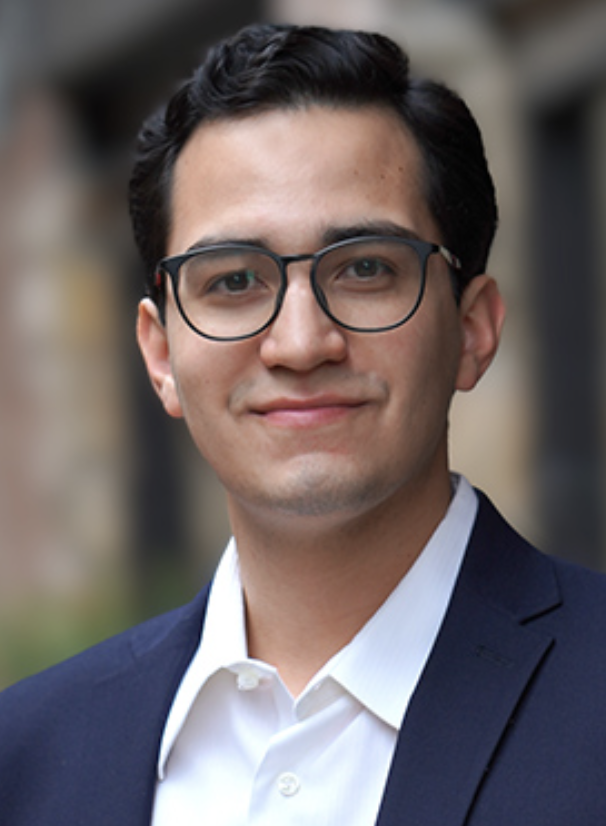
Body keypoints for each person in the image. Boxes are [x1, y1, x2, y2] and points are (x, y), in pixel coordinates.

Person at [1, 22, 605, 826]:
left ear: (473, 329)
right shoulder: (26, 757)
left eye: (364, 269)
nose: (300, 343)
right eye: (234, 281)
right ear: (160, 355)